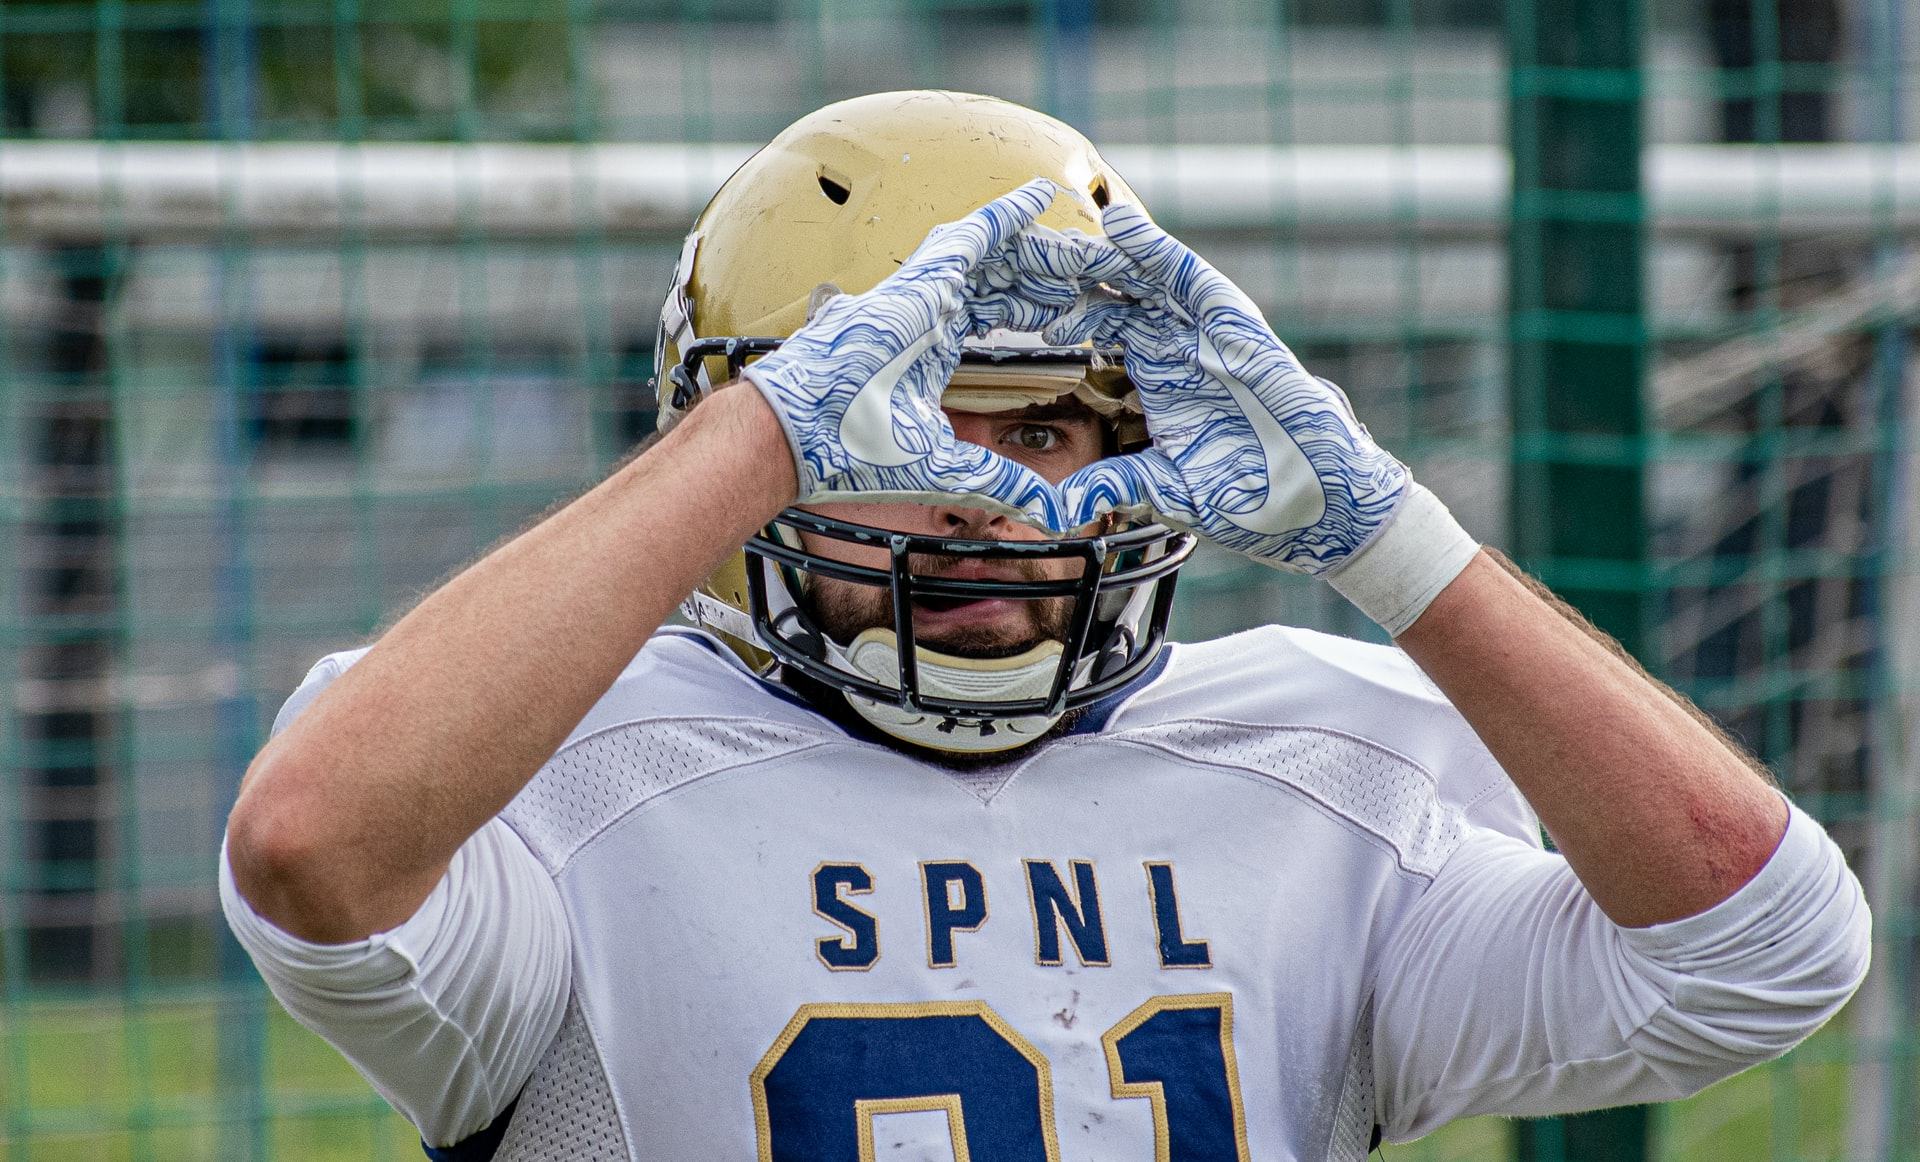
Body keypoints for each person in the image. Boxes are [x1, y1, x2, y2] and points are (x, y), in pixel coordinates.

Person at [220, 91, 1870, 1161]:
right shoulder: (580, 782)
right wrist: (774, 431)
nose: (987, 497)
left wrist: (1398, 541)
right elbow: (310, 849)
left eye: (1046, 427)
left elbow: (1769, 948)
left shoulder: (1320, 764)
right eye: (897, 429)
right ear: (739, 446)